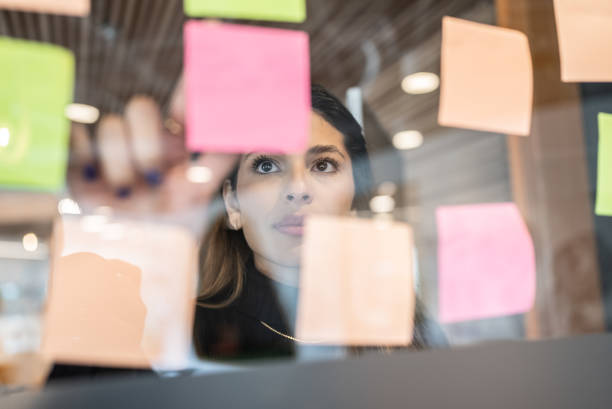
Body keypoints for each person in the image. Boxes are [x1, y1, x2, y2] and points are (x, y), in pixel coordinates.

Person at [193, 84, 447, 361]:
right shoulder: (186, 333)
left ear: (355, 193)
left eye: (323, 165)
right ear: (232, 204)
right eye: (267, 166)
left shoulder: (405, 323)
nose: (298, 188)